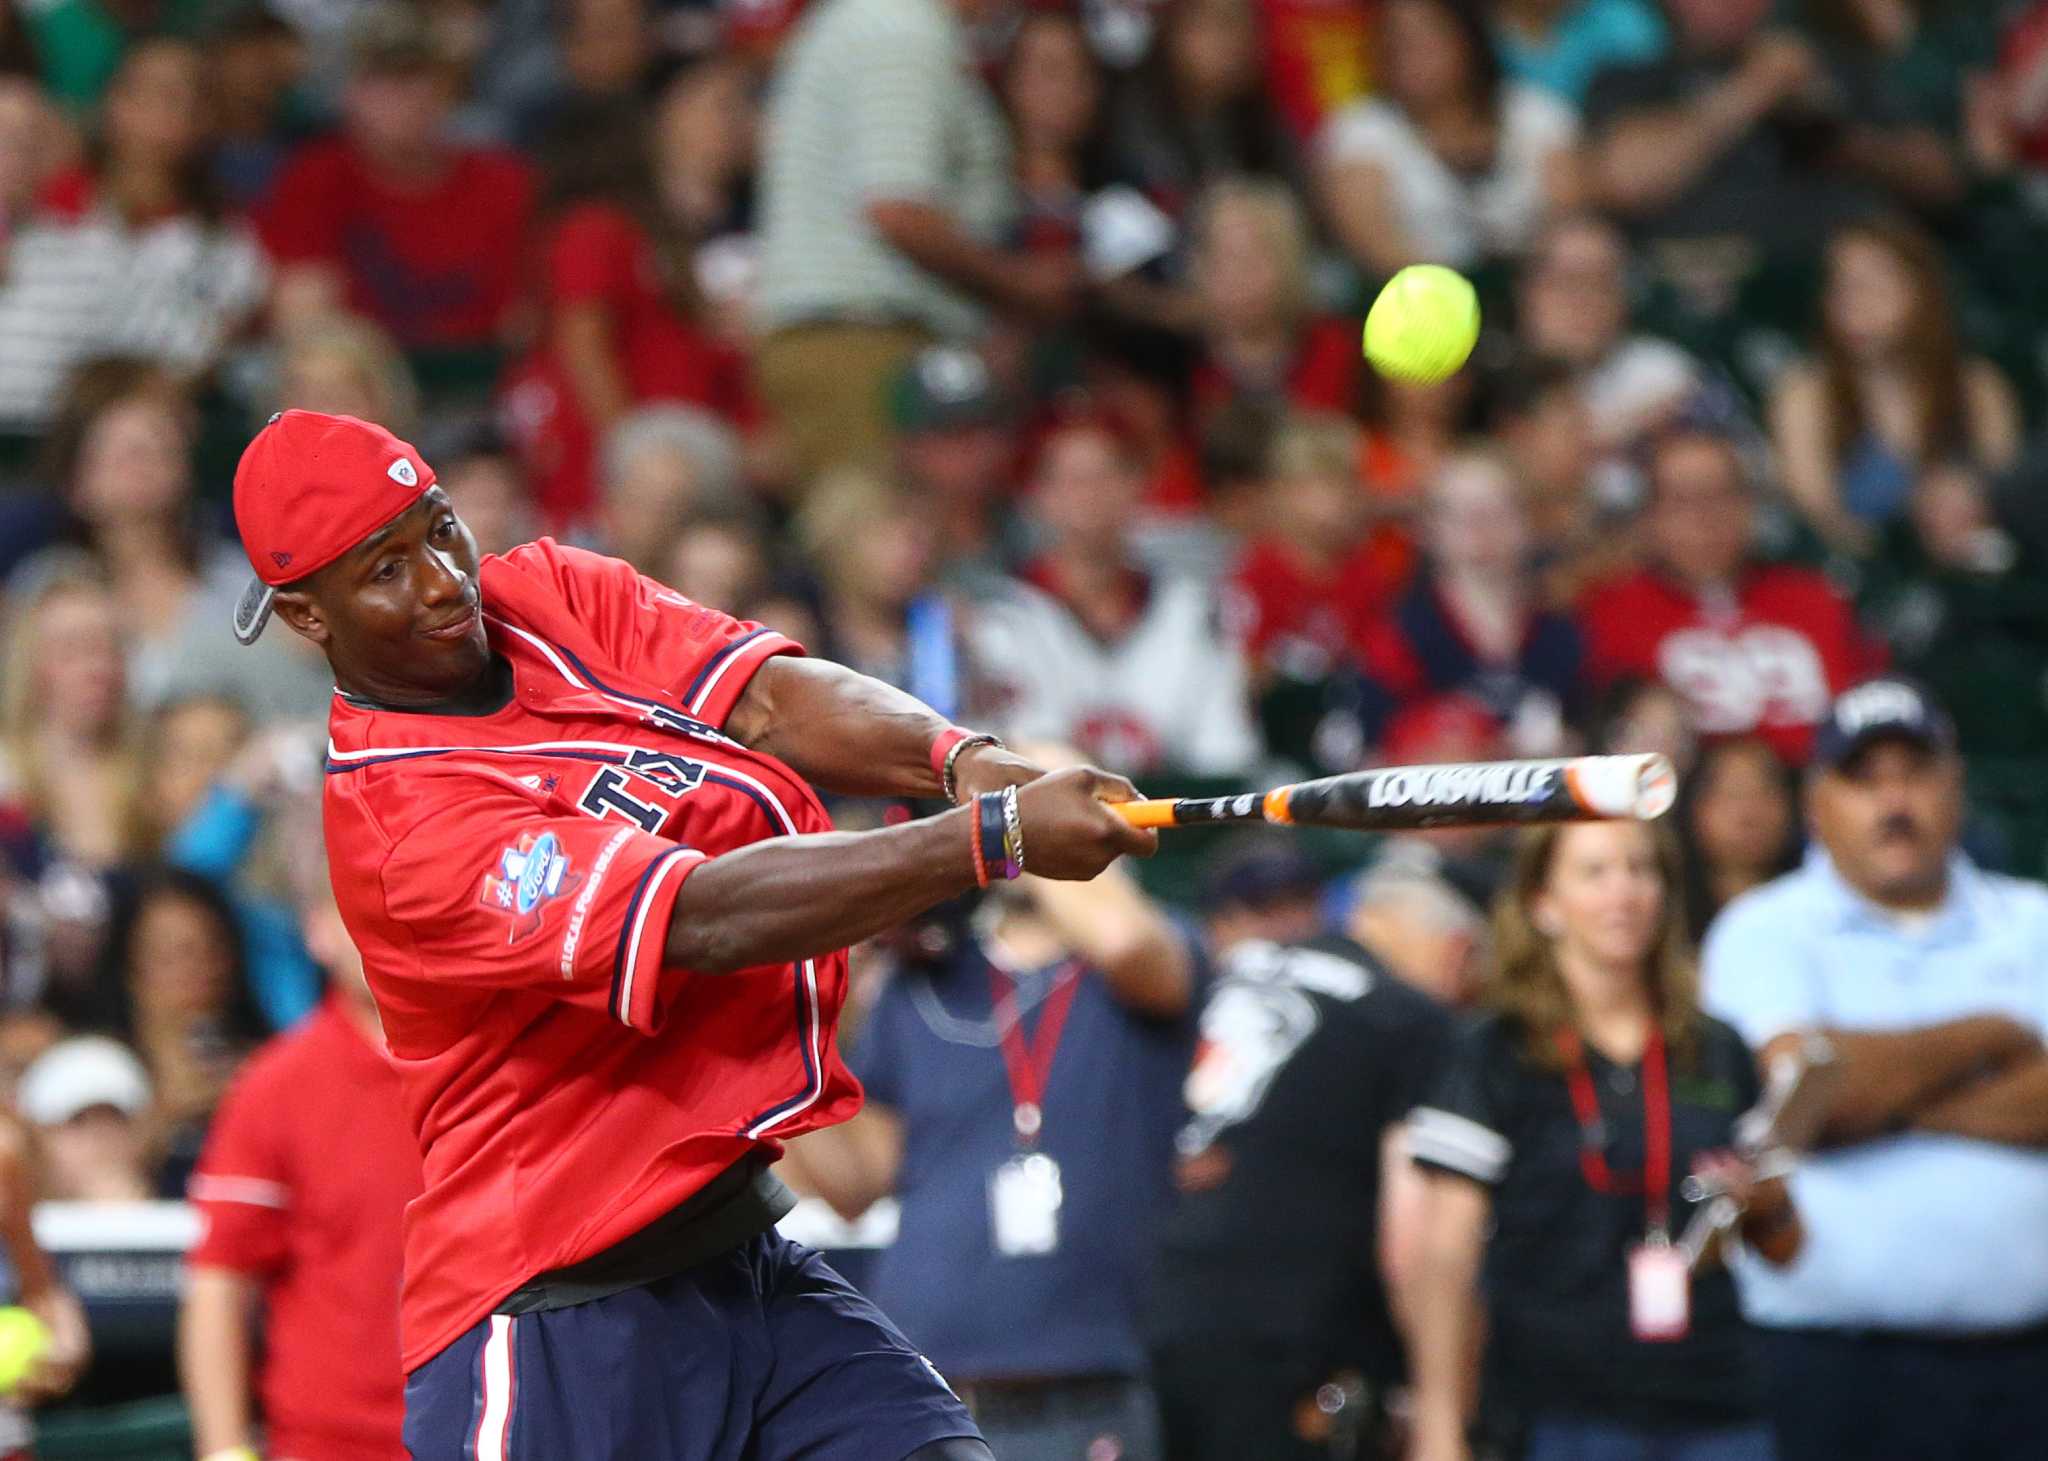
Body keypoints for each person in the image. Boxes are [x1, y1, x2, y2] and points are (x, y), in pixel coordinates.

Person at [226, 407, 1157, 1459]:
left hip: (739, 1264)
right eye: (386, 570)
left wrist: (960, 759)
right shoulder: (407, 828)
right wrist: (990, 838)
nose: (444, 582)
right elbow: (704, 916)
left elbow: (763, 697)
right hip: (554, 1316)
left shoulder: (546, 592)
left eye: (440, 528)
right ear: (309, 618)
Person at [1702, 678, 2048, 1461]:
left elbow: (1832, 1096)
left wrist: (1867, 1094)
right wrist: (1997, 1035)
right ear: (1817, 800)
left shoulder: (2035, 919)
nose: (1895, 800)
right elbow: (1806, 1097)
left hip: (2029, 1366)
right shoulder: (1763, 928)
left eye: (1915, 772)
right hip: (1833, 1365)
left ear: (1955, 784)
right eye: (1864, 778)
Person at [1406, 819, 1801, 1461]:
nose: (1623, 892)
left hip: (1714, 1398)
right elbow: (1446, 1256)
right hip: (1555, 1407)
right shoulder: (1494, 1049)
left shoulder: (1717, 1047)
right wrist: (1441, 1424)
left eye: (1641, 869)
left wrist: (1765, 1202)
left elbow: (1787, 1247)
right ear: (1542, 903)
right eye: (1594, 872)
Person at [781, 853, 1194, 1461]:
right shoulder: (921, 981)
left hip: (1079, 1394)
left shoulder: (1151, 954)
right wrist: (780, 1049)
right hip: (920, 1393)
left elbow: (1126, 941)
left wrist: (1015, 821)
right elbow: (856, 1185)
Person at [1147, 855, 1465, 1461]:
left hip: (1144, 1319)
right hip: (1297, 1343)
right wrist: (1440, 1409)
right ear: (1452, 945)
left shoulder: (1214, 978)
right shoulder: (1408, 1015)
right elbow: (1411, 1239)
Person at [179, 865, 424, 1461]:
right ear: (316, 929)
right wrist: (224, 1450)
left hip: (494, 1431)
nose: (381, 930)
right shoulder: (276, 1087)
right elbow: (219, 1284)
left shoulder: (497, 1068)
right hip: (328, 1446)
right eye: (358, 910)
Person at [756, 0, 1058, 480]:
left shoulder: (888, 21)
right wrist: (1018, 284)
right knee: (877, 542)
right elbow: (897, 211)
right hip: (862, 345)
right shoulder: (900, 27)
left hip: (865, 338)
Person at [969, 412, 1261, 776]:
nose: (1091, 495)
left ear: (1137, 484)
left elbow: (1224, 758)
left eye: (1106, 475)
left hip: (1181, 819)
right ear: (1037, 495)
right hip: (1052, 824)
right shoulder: (999, 617)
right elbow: (1018, 756)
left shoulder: (1196, 608)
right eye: (1072, 479)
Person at [1579, 426, 1879, 765]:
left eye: (1721, 495)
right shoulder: (1612, 612)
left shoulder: (1815, 599)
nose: (1706, 518)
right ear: (1649, 516)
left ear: (1750, 504)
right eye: (1684, 500)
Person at [258, 2, 536, 355]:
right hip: (365, 391)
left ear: (448, 90)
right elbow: (304, 320)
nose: (403, 97)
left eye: (417, 76)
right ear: (349, 92)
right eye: (382, 78)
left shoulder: (503, 181)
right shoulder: (317, 178)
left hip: (486, 384)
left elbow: (525, 321)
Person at [1767, 217, 2021, 553]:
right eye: (1842, 287)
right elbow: (1819, 520)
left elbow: (2009, 502)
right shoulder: (1805, 393)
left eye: (1872, 285)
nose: (1854, 304)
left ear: (1923, 292)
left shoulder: (1978, 386)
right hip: (1865, 577)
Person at [1318, 0, 1582, 277]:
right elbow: (1375, 246)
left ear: (1468, 38)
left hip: (1538, 296)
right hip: (1421, 306)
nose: (1410, 52)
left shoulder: (1537, 115)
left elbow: (1570, 225)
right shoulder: (1361, 132)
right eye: (1396, 39)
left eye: (1427, 35)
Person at [1356, 449, 1584, 757]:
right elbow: (1370, 756)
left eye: (1498, 511)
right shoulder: (1400, 634)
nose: (1482, 529)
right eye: (1462, 514)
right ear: (1428, 529)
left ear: (1529, 521)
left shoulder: (1561, 635)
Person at [591, 404, 746, 579]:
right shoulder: (573, 577)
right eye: (641, 500)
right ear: (612, 501)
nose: (653, 521)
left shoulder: (711, 590)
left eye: (670, 507)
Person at [1674, 736, 1799, 942]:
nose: (1749, 813)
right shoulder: (1669, 917)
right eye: (1731, 794)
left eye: (1764, 791)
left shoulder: (1816, 913)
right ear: (1694, 808)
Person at [17, 1032, 153, 1200]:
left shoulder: (186, 1219)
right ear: (36, 1139)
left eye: (116, 1117)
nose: (101, 1135)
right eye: (77, 1120)